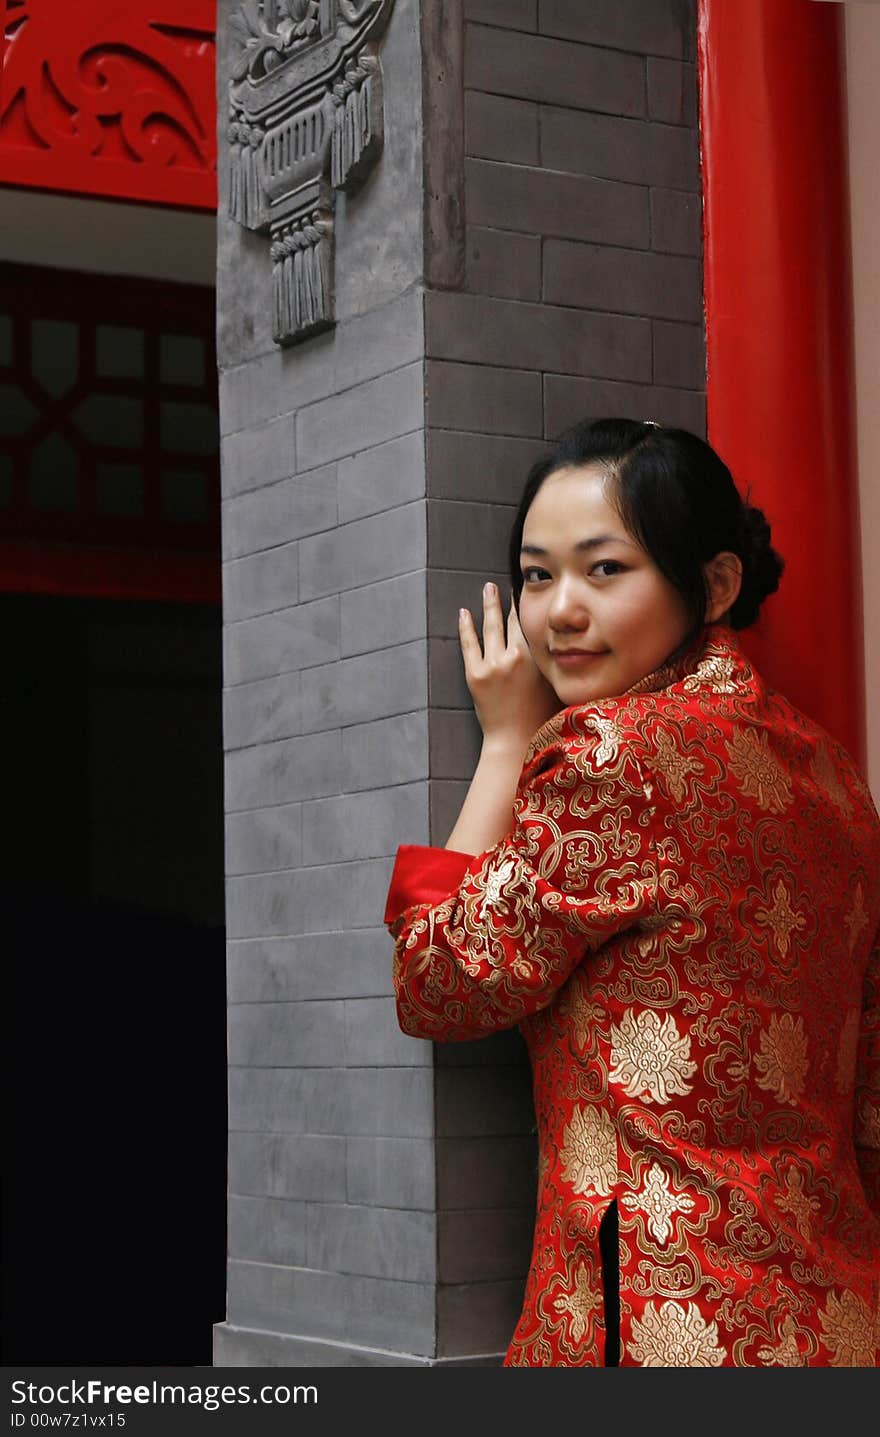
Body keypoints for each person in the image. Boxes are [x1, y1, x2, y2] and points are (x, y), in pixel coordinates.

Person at [383, 417, 880, 1368]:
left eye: (604, 570)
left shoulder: (609, 752)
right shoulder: (834, 775)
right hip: (840, 1314)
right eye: (536, 575)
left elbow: (437, 983)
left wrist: (502, 745)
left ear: (717, 584)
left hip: (654, 1320)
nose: (560, 609)